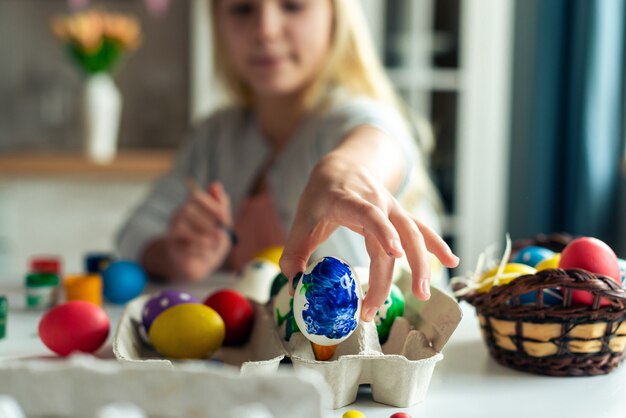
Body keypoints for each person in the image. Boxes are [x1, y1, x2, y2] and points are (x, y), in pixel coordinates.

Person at [116, 0, 459, 322]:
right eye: (242, 8)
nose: (265, 29)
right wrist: (174, 256)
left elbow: (380, 140)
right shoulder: (215, 137)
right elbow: (133, 233)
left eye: (293, 5)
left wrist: (341, 174)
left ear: (335, 15)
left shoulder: (356, 117)